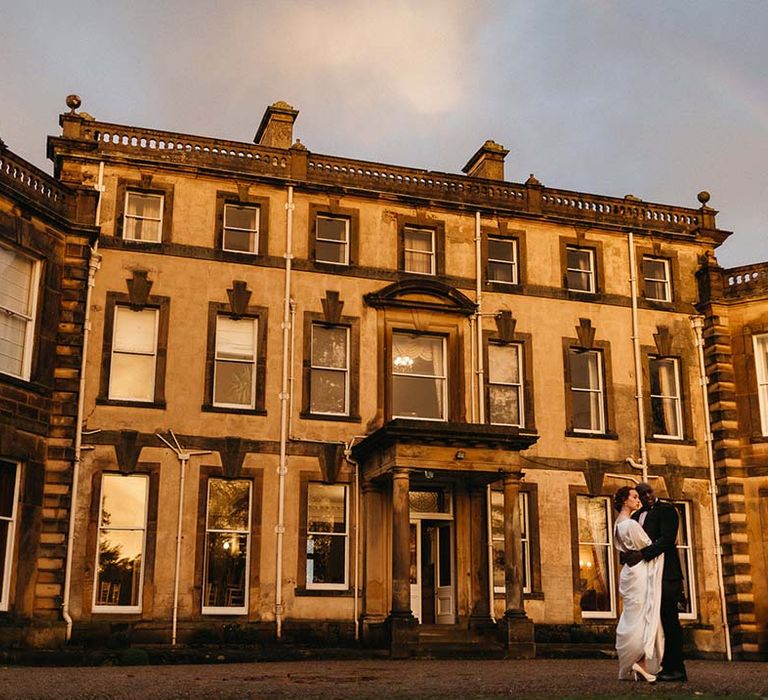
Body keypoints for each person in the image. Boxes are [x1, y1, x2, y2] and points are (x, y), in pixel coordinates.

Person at [624, 482, 688, 682]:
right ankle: (648, 665)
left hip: (667, 575)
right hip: (646, 577)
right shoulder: (636, 516)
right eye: (641, 494)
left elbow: (667, 539)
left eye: (648, 492)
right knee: (649, 621)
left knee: (669, 621)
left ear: (654, 491)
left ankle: (676, 669)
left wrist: (642, 554)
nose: (646, 496)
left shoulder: (668, 510)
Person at [613, 486, 664, 682]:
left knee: (633, 614)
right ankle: (640, 662)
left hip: (628, 572)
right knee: (643, 615)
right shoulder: (631, 525)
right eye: (634, 497)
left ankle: (638, 664)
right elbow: (648, 546)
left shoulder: (619, 524)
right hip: (640, 572)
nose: (638, 500)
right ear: (625, 501)